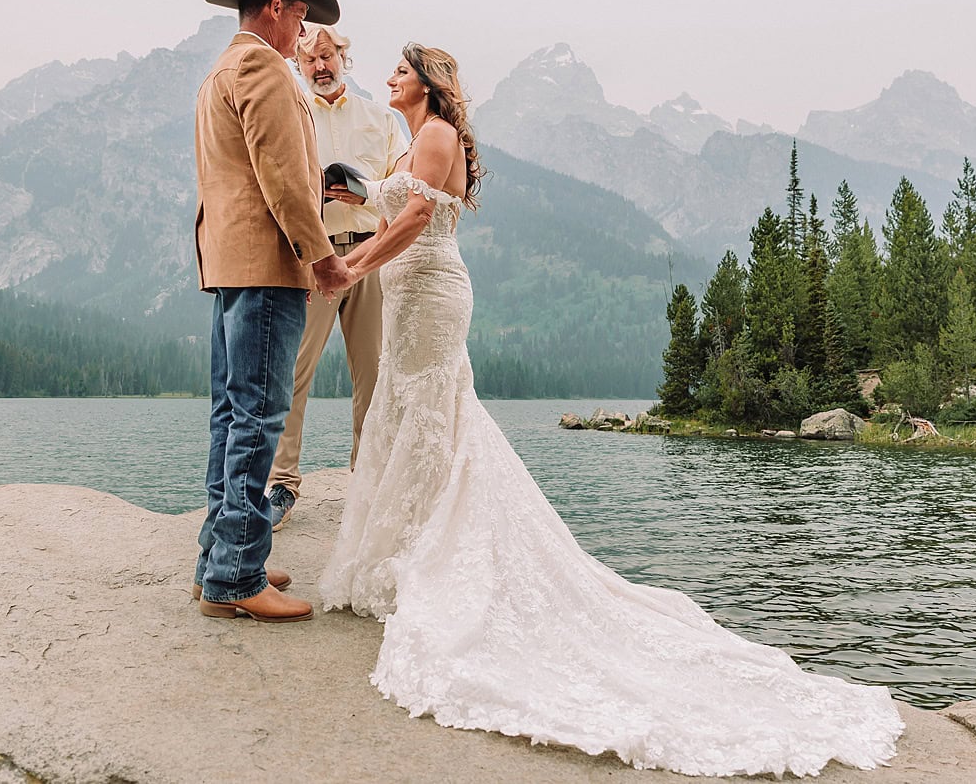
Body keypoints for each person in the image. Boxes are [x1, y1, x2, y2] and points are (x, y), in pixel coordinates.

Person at [318, 43, 905, 775]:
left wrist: (351, 265)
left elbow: (412, 225)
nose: (389, 79)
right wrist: (358, 192)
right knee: (414, 417)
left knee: (431, 414)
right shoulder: (421, 141)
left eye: (401, 71)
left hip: (429, 294)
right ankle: (410, 547)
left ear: (430, 84)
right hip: (412, 295)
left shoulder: (435, 133)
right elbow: (403, 203)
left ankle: (429, 553)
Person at [191, 0, 353, 625]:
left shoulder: (220, 70)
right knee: (258, 416)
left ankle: (225, 556)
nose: (304, 31)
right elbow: (281, 176)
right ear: (277, 8)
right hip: (265, 267)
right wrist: (322, 259)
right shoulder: (262, 69)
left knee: (232, 415)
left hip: (231, 264)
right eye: (301, 17)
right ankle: (236, 578)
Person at [267, 25, 407, 532]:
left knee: (372, 374)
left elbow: (401, 187)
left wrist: (366, 192)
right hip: (312, 258)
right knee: (292, 371)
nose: (320, 67)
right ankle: (281, 486)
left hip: (371, 256)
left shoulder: (382, 119)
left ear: (343, 58)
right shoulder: (292, 115)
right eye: (310, 61)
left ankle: (364, 481)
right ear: (298, 67)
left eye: (327, 56)